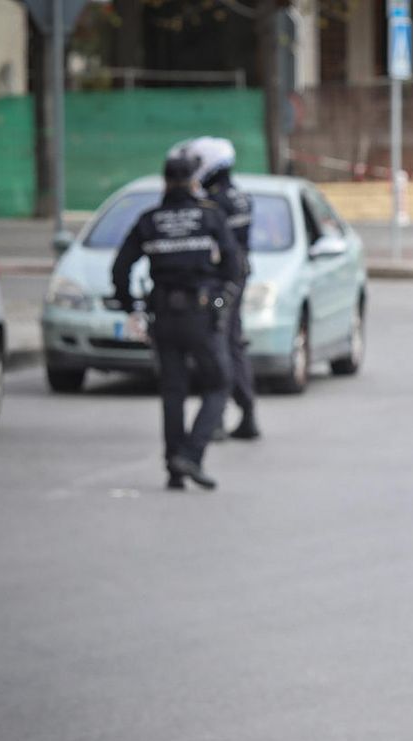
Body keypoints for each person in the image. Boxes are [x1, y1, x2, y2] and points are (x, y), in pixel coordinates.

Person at [111, 151, 245, 490]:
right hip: (199, 314)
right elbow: (234, 265)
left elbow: (120, 267)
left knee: (173, 391)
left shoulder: (149, 219)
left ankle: (173, 465)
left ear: (165, 182)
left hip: (163, 316)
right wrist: (220, 298)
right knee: (219, 383)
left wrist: (132, 307)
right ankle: (191, 454)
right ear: (194, 183)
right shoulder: (209, 217)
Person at [187, 136, 260, 440]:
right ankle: (246, 412)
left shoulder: (215, 203)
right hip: (237, 281)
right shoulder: (240, 196)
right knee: (231, 340)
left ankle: (217, 415)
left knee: (219, 341)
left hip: (220, 288)